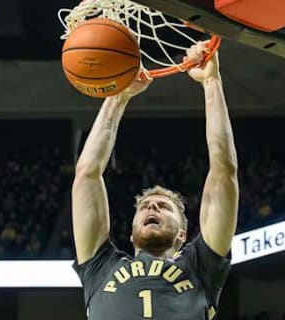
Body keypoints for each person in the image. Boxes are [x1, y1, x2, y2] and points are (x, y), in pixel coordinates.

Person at [72, 43, 239, 320]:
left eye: (163, 206)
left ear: (182, 235)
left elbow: (224, 170)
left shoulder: (201, 266)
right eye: (146, 207)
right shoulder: (100, 266)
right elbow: (87, 174)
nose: (152, 209)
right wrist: (118, 96)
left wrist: (211, 82)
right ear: (131, 232)